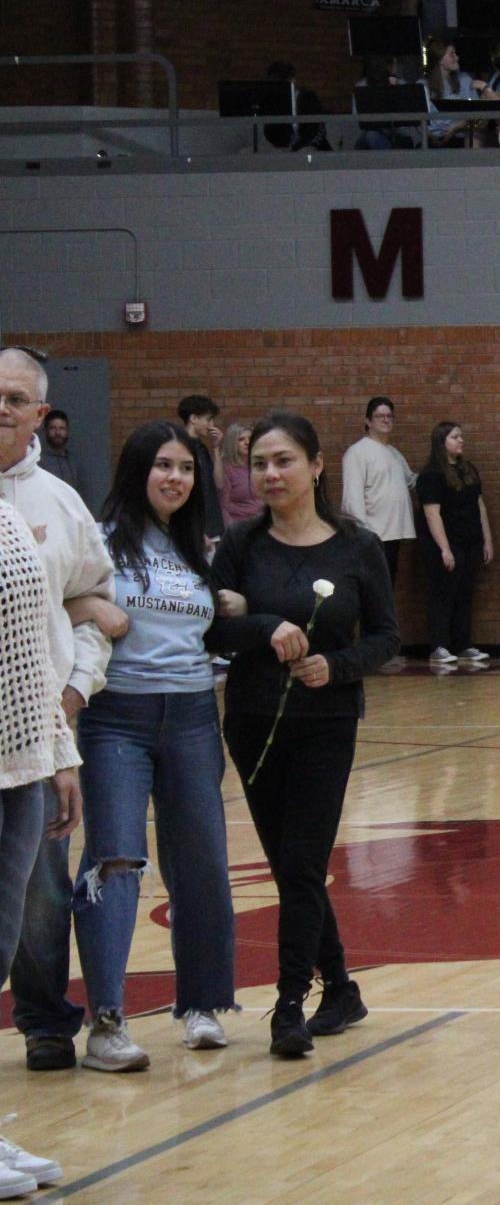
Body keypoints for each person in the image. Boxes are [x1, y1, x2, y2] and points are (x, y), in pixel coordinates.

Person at [208, 411, 398, 1056]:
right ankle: (341, 987)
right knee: (293, 868)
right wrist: (261, 625)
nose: (270, 474)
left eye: (284, 460)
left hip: (327, 724)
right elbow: (211, 630)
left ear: (317, 466)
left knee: (302, 864)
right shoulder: (239, 546)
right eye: (259, 462)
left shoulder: (356, 546)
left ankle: (289, 1006)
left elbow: (386, 636)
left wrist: (336, 665)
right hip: (254, 724)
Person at [72, 420, 236, 1071]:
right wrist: (89, 605)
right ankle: (106, 1022)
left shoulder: (194, 546)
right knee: (116, 861)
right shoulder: (100, 540)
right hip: (116, 716)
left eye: (187, 468)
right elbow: (50, 595)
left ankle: (200, 1005)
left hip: (194, 715)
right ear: (138, 470)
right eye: (164, 465)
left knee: (201, 861)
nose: (175, 478)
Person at [0, 347, 113, 1074]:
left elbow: (96, 611)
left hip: (33, 736)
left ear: (41, 413)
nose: (0, 408)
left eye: (14, 398)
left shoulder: (60, 505)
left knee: (36, 891)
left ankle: (44, 1018)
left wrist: (70, 702)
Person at [0, 491, 80, 1189]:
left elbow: (28, 647)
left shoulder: (6, 512)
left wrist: (57, 749)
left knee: (0, 945)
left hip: (19, 763)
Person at [415, 422, 492, 666]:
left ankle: (463, 643)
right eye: (455, 436)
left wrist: (487, 539)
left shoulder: (468, 469)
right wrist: (444, 548)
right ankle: (439, 645)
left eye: (461, 436)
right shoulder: (431, 475)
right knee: (444, 593)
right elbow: (431, 514)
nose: (461, 440)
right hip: (446, 541)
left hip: (470, 541)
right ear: (441, 442)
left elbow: (479, 506)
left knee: (464, 593)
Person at [339, 397, 416, 598]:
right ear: (368, 421)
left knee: (386, 591)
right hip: (373, 536)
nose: (386, 420)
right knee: (373, 594)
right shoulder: (357, 453)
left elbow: (411, 481)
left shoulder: (395, 453)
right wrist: (365, 535)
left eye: (389, 416)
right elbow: (352, 500)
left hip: (393, 535)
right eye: (380, 416)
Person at [177, 394, 225, 540]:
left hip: (211, 523)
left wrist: (216, 448)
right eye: (208, 419)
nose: (211, 425)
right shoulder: (180, 446)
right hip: (195, 527)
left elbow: (219, 482)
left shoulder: (202, 447)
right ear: (193, 418)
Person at [221, 422, 262, 526]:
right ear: (232, 443)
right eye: (241, 439)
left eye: (250, 438)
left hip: (263, 522)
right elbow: (224, 506)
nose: (247, 442)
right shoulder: (226, 469)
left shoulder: (259, 465)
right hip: (239, 524)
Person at [37, 411, 79, 492]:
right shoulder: (38, 460)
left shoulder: (72, 460)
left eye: (62, 428)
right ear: (45, 431)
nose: (58, 433)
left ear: (67, 431)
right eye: (53, 428)